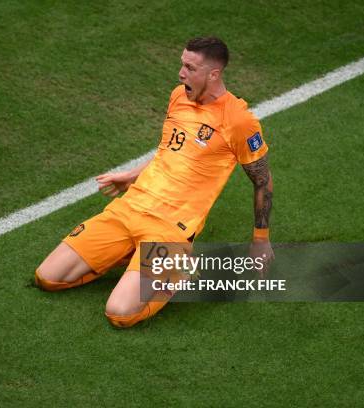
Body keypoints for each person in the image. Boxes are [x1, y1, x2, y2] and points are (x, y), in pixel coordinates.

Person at [35, 37, 274, 328]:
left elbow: (262, 180)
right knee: (47, 277)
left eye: (190, 67)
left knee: (119, 313)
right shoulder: (178, 97)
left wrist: (261, 240)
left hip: (170, 228)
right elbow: (170, 150)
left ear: (213, 74)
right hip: (130, 208)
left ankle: (179, 267)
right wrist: (132, 175)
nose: (181, 73)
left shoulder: (238, 122)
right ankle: (131, 255)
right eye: (181, 64)